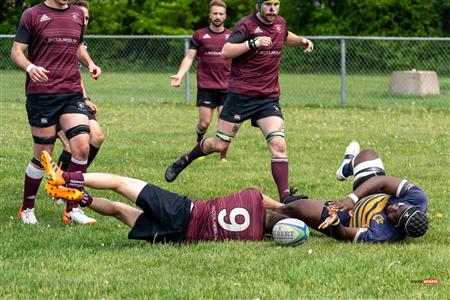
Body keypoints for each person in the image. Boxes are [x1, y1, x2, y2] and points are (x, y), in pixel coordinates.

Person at [164, 0, 314, 203]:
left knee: (278, 144)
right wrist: (252, 43)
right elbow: (226, 51)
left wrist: (302, 40)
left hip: (268, 97)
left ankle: (285, 198)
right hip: (240, 95)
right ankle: (184, 160)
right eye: (268, 4)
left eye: (276, 4)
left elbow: (286, 36)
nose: (272, 9)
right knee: (218, 144)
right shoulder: (246, 25)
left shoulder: (280, 23)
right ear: (259, 5)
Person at [40, 151, 286, 243]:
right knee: (117, 209)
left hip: (181, 211)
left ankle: (65, 178)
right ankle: (82, 200)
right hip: (177, 237)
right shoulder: (254, 237)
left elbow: (268, 200)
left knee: (118, 183)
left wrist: (282, 205)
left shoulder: (253, 198)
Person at [11, 0, 101, 225]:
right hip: (42, 94)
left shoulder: (77, 14)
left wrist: (89, 63)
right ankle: (28, 207)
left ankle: (72, 209)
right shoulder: (32, 14)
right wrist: (31, 68)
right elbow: (17, 51)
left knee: (81, 145)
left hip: (71, 92)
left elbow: (78, 46)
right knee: (43, 156)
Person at [277, 142, 429, 242]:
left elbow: (343, 235)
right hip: (372, 194)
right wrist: (352, 198)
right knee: (368, 154)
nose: (394, 208)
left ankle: (265, 221)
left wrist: (335, 221)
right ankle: (347, 166)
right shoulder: (418, 198)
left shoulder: (381, 235)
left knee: (298, 208)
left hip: (346, 217)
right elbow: (383, 181)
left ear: (396, 226)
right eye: (399, 206)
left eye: (394, 215)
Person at [170, 0, 231, 161]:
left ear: (225, 16)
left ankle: (223, 157)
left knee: (224, 123)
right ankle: (199, 141)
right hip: (206, 86)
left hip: (227, 86)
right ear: (209, 15)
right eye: (214, 13)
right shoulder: (199, 35)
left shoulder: (232, 36)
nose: (217, 16)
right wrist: (180, 75)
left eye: (220, 14)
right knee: (204, 123)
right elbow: (189, 57)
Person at [56, 0, 105, 173]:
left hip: (74, 97)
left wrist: (85, 98)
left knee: (97, 136)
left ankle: (74, 181)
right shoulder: (57, 35)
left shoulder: (80, 43)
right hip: (52, 98)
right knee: (72, 145)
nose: (83, 22)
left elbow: (75, 74)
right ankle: (58, 190)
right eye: (81, 17)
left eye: (87, 18)